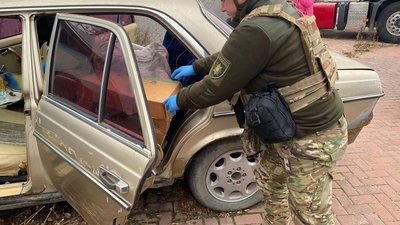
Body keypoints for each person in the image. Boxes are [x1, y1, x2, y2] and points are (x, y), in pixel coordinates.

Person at [163, 0, 348, 224]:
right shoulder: (275, 11)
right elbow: (236, 57)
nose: (221, 8)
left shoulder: (258, 27)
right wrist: (197, 66)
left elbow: (216, 87)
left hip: (311, 137)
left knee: (311, 215)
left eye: (223, 0)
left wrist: (180, 100)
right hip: (287, 131)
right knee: (270, 181)